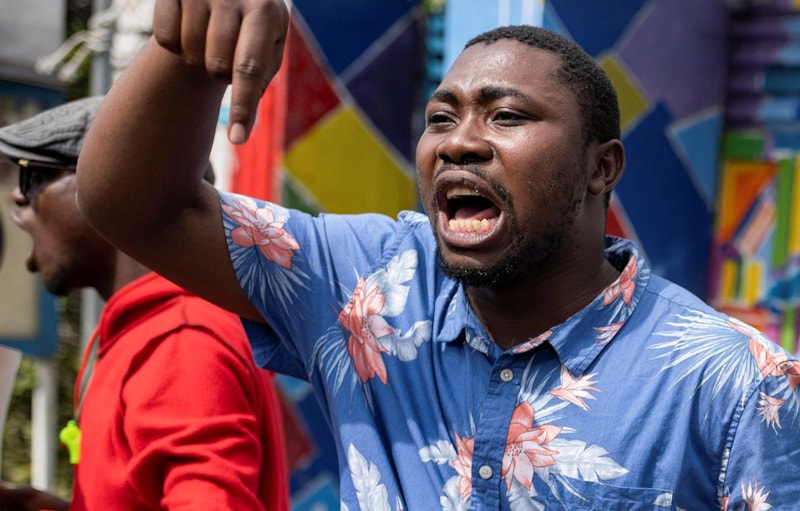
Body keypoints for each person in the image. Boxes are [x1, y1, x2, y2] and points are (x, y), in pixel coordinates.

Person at [75, 1, 800, 508]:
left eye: (506, 116)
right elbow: (134, 205)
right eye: (441, 117)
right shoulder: (366, 284)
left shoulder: (737, 385)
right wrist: (190, 49)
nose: (459, 142)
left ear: (600, 167)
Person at [0, 96, 290, 511]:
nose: (18, 198)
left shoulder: (181, 340)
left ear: (119, 188)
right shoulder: (140, 333)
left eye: (34, 178)